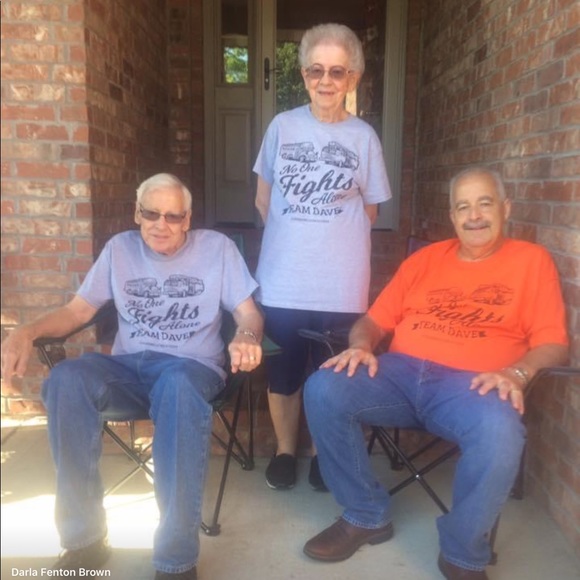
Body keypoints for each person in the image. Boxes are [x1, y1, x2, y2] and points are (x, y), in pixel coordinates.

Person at [302, 167, 569, 579]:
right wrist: (360, 346)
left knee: (501, 431)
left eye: (484, 204)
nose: (474, 216)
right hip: (400, 374)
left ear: (506, 209)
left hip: (473, 385)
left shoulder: (531, 262)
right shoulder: (425, 260)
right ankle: (364, 514)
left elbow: (553, 342)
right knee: (323, 388)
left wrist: (519, 372)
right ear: (452, 216)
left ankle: (462, 552)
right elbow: (373, 321)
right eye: (463, 207)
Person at [1, 173, 264, 580]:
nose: (161, 224)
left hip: (190, 370)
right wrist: (27, 330)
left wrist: (245, 336)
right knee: (67, 380)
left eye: (173, 216)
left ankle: (175, 561)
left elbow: (249, 314)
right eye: (151, 213)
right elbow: (77, 312)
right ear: (137, 213)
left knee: (178, 385)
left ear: (187, 219)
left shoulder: (217, 249)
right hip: (128, 370)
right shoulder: (119, 249)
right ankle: (84, 540)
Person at [254, 23, 392, 491]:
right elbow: (262, 199)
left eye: (337, 71)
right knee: (284, 371)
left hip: (342, 283)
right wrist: (297, 237)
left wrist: (330, 241)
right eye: (316, 70)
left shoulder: (364, 137)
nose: (326, 80)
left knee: (330, 375)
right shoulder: (282, 127)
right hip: (283, 280)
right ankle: (285, 451)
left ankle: (320, 454)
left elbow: (370, 210)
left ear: (353, 77)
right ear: (304, 74)